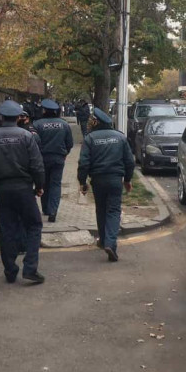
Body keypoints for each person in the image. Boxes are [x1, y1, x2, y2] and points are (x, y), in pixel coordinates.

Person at [0, 100, 46, 284]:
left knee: (7, 229)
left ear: (1, 117)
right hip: (24, 188)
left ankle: (10, 270)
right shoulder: (26, 136)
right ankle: (30, 268)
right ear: (18, 117)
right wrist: (39, 185)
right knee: (34, 225)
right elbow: (37, 165)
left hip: (3, 189)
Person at [78, 108, 135, 262]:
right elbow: (130, 162)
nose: (90, 122)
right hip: (116, 180)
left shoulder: (90, 138)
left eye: (92, 120)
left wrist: (82, 182)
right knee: (113, 211)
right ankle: (110, 243)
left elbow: (83, 163)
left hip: (98, 180)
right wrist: (127, 180)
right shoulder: (120, 137)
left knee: (101, 210)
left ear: (97, 122)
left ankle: (104, 241)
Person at [33, 99, 73, 223]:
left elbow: (33, 143)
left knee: (44, 183)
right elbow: (70, 143)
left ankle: (45, 208)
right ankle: (53, 210)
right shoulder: (64, 124)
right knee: (55, 184)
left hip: (42, 158)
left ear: (44, 110)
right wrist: (65, 153)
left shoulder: (37, 124)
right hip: (58, 158)